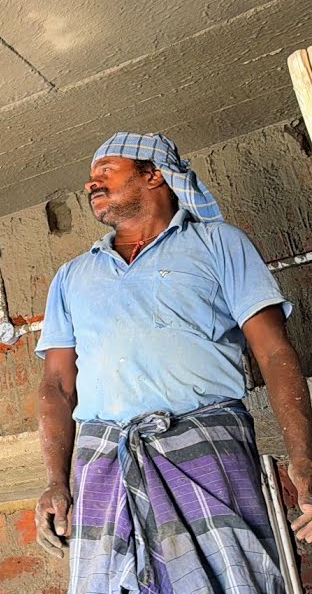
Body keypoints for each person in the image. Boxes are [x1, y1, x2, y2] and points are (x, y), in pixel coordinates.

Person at [33, 132, 312, 593]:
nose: (91, 185)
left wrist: (304, 458)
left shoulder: (219, 243)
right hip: (101, 456)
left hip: (204, 442)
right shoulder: (72, 276)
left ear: (154, 174)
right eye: (90, 178)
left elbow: (274, 352)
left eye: (106, 172)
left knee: (236, 580)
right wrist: (54, 481)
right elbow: (57, 386)